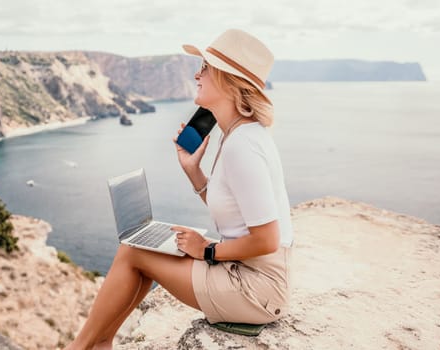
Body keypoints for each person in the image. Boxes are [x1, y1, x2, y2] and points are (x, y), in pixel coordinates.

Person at [64, 28, 293, 350]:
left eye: (205, 68)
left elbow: (267, 240)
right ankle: (98, 343)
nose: (196, 74)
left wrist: (207, 250)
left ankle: (85, 346)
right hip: (250, 275)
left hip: (255, 289)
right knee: (147, 248)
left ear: (228, 80)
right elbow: (236, 210)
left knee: (133, 252)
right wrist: (193, 171)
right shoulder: (241, 135)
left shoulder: (243, 146)